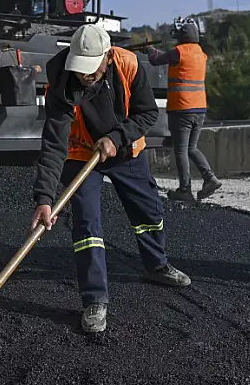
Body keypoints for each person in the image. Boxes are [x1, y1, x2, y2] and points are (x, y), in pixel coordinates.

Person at [30, 23, 193, 333]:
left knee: (149, 213)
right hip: (81, 156)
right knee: (87, 225)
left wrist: (117, 137)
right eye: (80, 70)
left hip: (125, 151)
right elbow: (53, 144)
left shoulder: (129, 65)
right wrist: (44, 199)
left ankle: (156, 265)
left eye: (91, 70)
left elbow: (147, 114)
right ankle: (94, 299)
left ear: (107, 57)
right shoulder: (61, 84)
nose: (85, 76)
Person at [145, 18, 222, 202]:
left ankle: (185, 190)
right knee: (191, 148)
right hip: (199, 108)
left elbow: (156, 60)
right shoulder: (201, 54)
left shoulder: (179, 52)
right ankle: (209, 178)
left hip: (181, 108)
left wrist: (148, 50)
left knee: (180, 150)